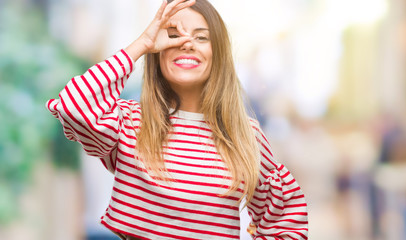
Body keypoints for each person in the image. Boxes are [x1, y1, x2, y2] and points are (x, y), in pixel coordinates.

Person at [46, 0, 308, 239]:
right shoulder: (130, 122)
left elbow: (287, 218)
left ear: (218, 54)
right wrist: (142, 44)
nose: (186, 43)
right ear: (158, 54)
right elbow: (72, 106)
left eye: (201, 37)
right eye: (172, 36)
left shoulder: (245, 135)